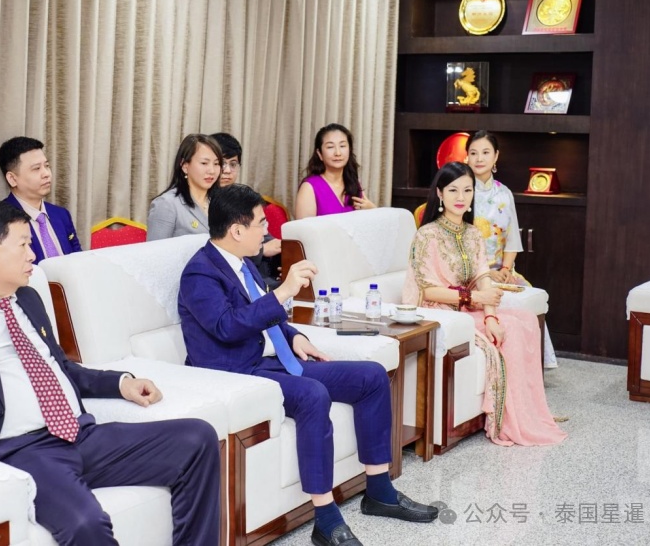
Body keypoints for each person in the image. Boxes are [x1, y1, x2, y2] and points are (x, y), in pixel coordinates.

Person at [0, 201, 220, 545]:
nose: (33, 255)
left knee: (197, 438)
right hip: (22, 451)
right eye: (23, 244)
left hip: (81, 435)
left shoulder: (28, 299)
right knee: (85, 523)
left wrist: (121, 383)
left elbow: (59, 368)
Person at [179, 184, 438, 546]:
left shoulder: (242, 263)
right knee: (313, 395)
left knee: (372, 377)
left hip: (274, 360)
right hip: (238, 371)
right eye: (260, 223)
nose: (267, 230)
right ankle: (326, 519)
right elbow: (227, 326)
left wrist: (293, 335)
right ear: (236, 230)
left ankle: (380, 492)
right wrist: (283, 292)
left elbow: (261, 312)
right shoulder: (200, 274)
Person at [402, 162, 567, 448]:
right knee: (510, 330)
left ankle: (527, 413)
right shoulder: (427, 235)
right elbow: (427, 289)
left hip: (468, 307)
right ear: (439, 193)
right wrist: (475, 299)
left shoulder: (472, 233)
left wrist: (490, 316)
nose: (461, 197)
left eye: (467, 190)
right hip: (439, 310)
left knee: (525, 321)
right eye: (453, 190)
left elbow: (482, 278)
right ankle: (508, 420)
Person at [465, 130, 559, 368]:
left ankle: (534, 364)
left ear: (496, 156)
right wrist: (487, 272)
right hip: (473, 272)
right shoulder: (462, 192)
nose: (479, 158)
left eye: (485, 152)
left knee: (528, 292)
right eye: (473, 153)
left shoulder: (504, 193)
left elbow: (512, 238)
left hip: (502, 270)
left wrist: (506, 269)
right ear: (466, 157)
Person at [211, 132, 281, 288]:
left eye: (233, 164)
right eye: (221, 163)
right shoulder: (206, 202)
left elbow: (266, 238)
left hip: (262, 275)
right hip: (232, 280)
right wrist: (262, 250)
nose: (227, 170)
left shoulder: (243, 196)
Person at [0, 136, 82, 264]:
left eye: (47, 166)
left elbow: (79, 259)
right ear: (12, 179)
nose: (46, 174)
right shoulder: (0, 220)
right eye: (36, 168)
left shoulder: (61, 214)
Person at [146, 134, 221, 241]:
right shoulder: (166, 204)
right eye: (204, 163)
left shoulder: (221, 203)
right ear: (185, 166)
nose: (212, 171)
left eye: (216, 164)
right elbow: (155, 250)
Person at [295, 123, 376, 219]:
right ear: (320, 154)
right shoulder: (309, 188)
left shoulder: (353, 183)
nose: (338, 153)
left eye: (342, 146)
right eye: (330, 147)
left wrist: (373, 210)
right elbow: (303, 228)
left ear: (349, 150)